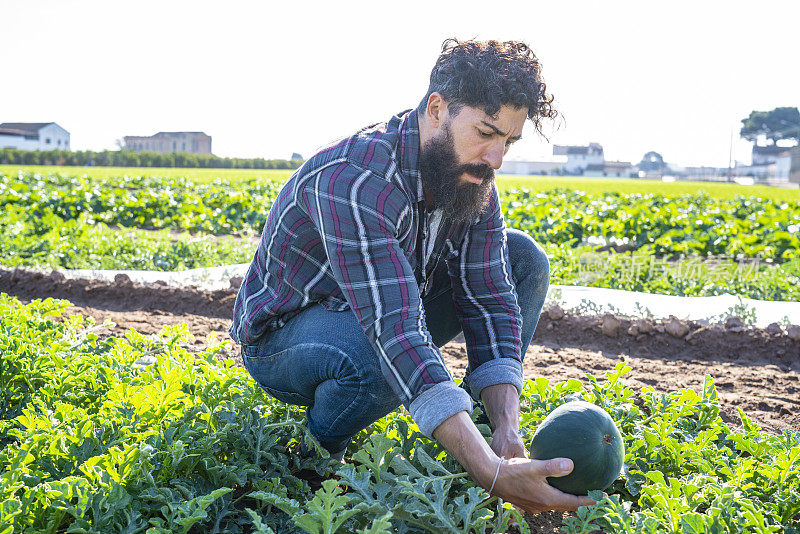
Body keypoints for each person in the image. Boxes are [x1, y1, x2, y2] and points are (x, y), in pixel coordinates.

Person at [230, 38, 593, 513]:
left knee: (523, 259)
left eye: (507, 140)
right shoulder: (357, 178)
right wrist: (489, 477)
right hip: (286, 341)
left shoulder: (471, 175)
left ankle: (481, 440)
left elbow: (489, 295)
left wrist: (507, 427)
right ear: (438, 109)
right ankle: (317, 455)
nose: (496, 157)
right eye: (485, 132)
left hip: (377, 315)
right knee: (378, 354)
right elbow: (394, 329)